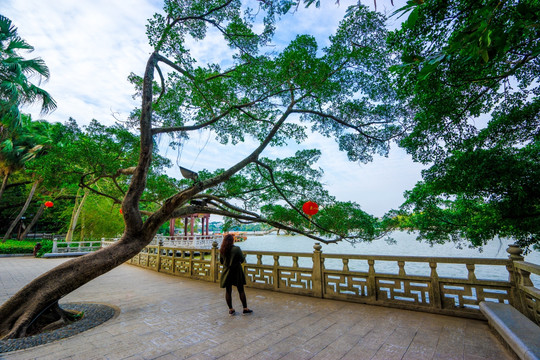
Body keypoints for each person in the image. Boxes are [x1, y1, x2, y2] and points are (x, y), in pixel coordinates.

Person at [219, 234, 253, 316]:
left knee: (228, 291)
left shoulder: (222, 250)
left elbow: (221, 262)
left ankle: (231, 309)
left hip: (226, 272)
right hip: (236, 271)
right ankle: (245, 308)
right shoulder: (236, 249)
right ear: (232, 240)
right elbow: (242, 260)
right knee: (241, 290)